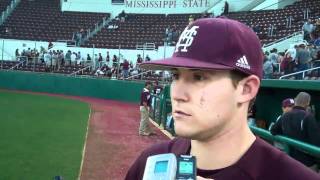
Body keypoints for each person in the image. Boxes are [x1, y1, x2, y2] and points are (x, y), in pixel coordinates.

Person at [125, 18, 319, 179]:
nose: (177, 94)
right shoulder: (151, 163)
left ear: (246, 89)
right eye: (176, 76)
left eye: (199, 77)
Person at [271, 92, 320, 169]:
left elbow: (273, 131)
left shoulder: (285, 115)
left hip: (290, 159)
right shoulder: (308, 116)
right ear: (307, 103)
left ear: (295, 100)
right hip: (306, 163)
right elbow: (316, 142)